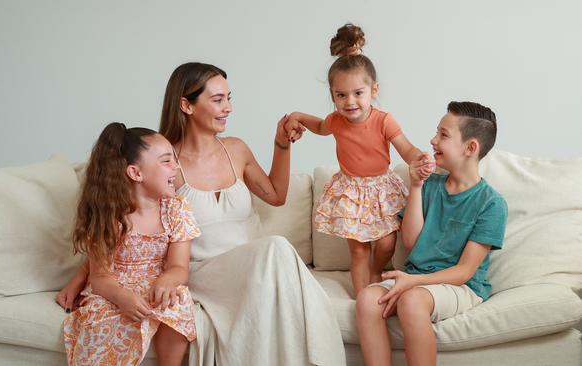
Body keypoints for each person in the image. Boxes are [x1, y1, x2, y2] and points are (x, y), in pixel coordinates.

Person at [59, 63, 346, 366]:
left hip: (248, 270)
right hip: (197, 272)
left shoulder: (236, 150)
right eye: (218, 100)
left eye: (229, 98)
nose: (228, 108)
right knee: (275, 247)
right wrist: (83, 276)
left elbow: (276, 195)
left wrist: (281, 143)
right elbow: (121, 219)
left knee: (274, 253)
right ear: (186, 105)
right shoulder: (165, 162)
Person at [355, 101, 508, 366]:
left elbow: (464, 271)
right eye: (436, 132)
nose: (433, 140)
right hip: (417, 278)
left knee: (412, 302)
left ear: (471, 148)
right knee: (368, 298)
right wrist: (415, 186)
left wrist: (412, 283)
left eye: (443, 135)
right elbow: (412, 242)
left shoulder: (491, 204)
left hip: (460, 286)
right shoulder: (430, 185)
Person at [284, 24, 427, 294]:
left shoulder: (384, 121)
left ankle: (377, 270)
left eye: (358, 93)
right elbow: (319, 127)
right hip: (350, 191)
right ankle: (363, 298)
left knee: (385, 245)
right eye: (341, 95)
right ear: (333, 95)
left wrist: (418, 156)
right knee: (359, 251)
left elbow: (405, 148)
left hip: (381, 189)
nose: (350, 101)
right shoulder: (336, 121)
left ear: (373, 90)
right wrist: (299, 116)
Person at [62, 123, 201, 366]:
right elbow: (100, 277)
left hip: (156, 282)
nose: (176, 167)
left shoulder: (176, 209)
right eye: (166, 161)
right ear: (136, 173)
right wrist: (123, 298)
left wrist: (168, 280)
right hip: (114, 288)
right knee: (99, 323)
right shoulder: (107, 215)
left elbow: (179, 267)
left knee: (176, 301)